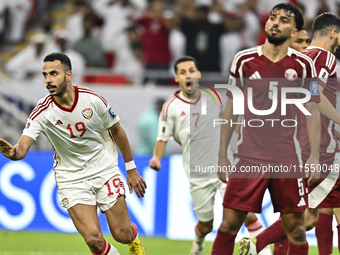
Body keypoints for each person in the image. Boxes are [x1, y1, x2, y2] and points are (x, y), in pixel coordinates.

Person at [0, 52, 147, 255]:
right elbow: (22, 149)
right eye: (45, 75)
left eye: (54, 73)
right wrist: (13, 152)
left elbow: (117, 130)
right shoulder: (42, 111)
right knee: (94, 240)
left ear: (68, 75)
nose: (48, 80)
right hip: (72, 177)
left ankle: (133, 239)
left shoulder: (92, 100)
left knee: (122, 235)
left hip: (104, 170)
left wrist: (131, 169)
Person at [211, 3, 322, 255]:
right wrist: (221, 154)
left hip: (288, 159)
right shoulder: (244, 60)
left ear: (295, 32)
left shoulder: (304, 66)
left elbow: (313, 113)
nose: (275, 22)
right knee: (228, 226)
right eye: (272, 18)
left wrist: (314, 157)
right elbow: (230, 108)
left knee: (296, 230)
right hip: (249, 157)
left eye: (283, 20)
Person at [149, 56, 271, 255]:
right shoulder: (170, 107)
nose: (188, 75)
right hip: (197, 174)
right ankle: (198, 241)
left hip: (225, 167)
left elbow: (233, 122)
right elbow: (162, 139)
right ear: (176, 78)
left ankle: (263, 250)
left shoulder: (214, 96)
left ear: (198, 74)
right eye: (182, 72)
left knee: (246, 214)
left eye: (191, 70)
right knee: (206, 225)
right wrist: (156, 158)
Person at [240, 12, 340, 255]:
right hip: (322, 145)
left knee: (313, 214)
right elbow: (315, 98)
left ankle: (257, 243)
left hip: (297, 142)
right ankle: (257, 243)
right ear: (333, 33)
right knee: (312, 211)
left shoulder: (298, 59)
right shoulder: (324, 57)